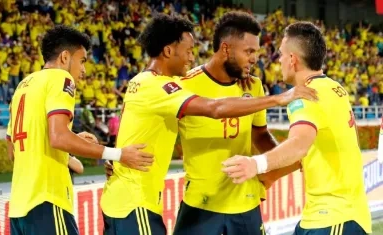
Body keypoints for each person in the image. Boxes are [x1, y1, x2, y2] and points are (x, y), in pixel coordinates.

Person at [100, 14, 317, 235]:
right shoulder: (181, 84)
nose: (254, 58)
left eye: (256, 51)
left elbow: (260, 135)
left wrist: (276, 166)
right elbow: (210, 108)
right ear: (226, 49)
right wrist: (117, 158)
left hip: (245, 202)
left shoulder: (253, 86)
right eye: (249, 52)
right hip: (199, 204)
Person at [222, 21, 372, 235]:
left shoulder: (305, 96)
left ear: (292, 60)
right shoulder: (335, 87)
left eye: (281, 54)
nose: (279, 60)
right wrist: (273, 174)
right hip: (334, 215)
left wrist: (256, 164)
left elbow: (300, 144)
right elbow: (314, 147)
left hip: (334, 218)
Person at [6, 25, 154, 235]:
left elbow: (13, 150)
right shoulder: (60, 78)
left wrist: (72, 140)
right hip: (48, 202)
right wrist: (118, 154)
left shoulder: (22, 86)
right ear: (65, 57)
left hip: (19, 209)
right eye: (82, 61)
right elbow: (58, 138)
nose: (84, 69)